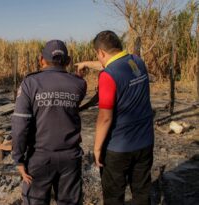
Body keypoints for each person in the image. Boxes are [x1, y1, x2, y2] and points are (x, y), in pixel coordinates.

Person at [12, 40, 87, 205]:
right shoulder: (79, 84)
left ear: (41, 60)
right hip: (71, 158)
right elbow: (74, 95)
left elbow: (20, 125)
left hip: (40, 157)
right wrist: (77, 75)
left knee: (35, 201)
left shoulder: (30, 83)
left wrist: (18, 158)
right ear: (68, 61)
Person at [91, 30, 154, 205]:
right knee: (142, 193)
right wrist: (85, 64)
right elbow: (113, 65)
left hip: (118, 148)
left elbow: (105, 117)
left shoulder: (107, 76)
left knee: (114, 196)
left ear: (101, 53)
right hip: (145, 142)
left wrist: (97, 148)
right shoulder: (137, 61)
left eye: (98, 56)